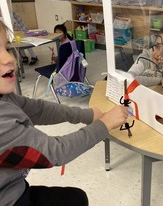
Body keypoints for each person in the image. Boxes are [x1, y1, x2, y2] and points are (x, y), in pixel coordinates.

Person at [0, 20, 128, 206]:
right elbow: (55, 151)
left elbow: (39, 110)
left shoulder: (6, 98)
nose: (8, 58)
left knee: (75, 198)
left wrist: (87, 115)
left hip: (13, 188)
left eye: (7, 47)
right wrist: (105, 124)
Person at [128, 25, 163, 95]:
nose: (159, 54)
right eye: (157, 46)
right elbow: (129, 78)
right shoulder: (144, 58)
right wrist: (161, 80)